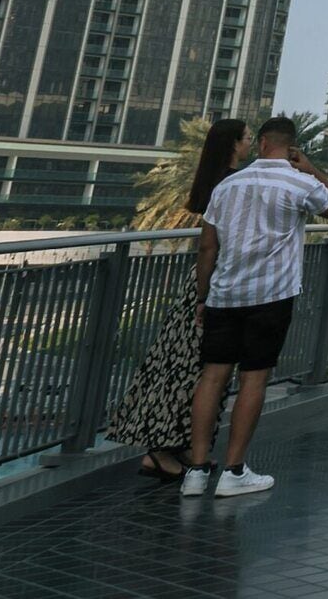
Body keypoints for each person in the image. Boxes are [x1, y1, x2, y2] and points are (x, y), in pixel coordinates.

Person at [184, 115, 328, 498]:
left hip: (224, 294)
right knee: (253, 380)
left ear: (261, 143)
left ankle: (196, 470)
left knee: (212, 377)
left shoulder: (227, 185)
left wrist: (203, 297)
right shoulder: (299, 182)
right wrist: (312, 169)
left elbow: (207, 247)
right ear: (291, 147)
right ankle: (233, 471)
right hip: (271, 296)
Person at [109, 116, 245, 482]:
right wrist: (203, 295)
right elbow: (210, 244)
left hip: (205, 282)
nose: (250, 143)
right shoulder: (232, 183)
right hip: (213, 284)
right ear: (234, 143)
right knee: (191, 368)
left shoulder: (215, 180)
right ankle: (158, 449)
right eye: (246, 138)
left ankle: (181, 444)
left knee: (189, 364)